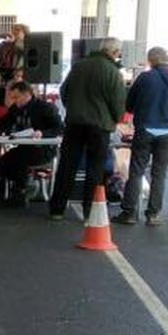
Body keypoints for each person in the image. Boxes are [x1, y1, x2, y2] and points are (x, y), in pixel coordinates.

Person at [49, 37, 125, 221]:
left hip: (74, 123)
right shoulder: (113, 72)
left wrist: (73, 108)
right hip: (100, 126)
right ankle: (89, 211)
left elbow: (64, 91)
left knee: (67, 165)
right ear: (115, 53)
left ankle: (57, 209)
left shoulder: (79, 66)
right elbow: (118, 102)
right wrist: (116, 118)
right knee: (95, 169)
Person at [115, 46, 168, 225]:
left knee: (137, 171)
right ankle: (153, 214)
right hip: (167, 130)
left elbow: (129, 105)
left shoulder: (144, 78)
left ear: (151, 60)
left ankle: (129, 213)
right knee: (159, 174)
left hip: (145, 128)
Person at [0, 81, 63, 204]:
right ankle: (1, 194)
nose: (14, 101)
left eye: (16, 97)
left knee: (19, 160)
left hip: (44, 149)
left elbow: (59, 128)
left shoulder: (46, 108)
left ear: (27, 95)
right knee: (1, 163)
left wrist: (42, 133)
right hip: (25, 148)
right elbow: (1, 124)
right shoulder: (15, 109)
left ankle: (21, 191)